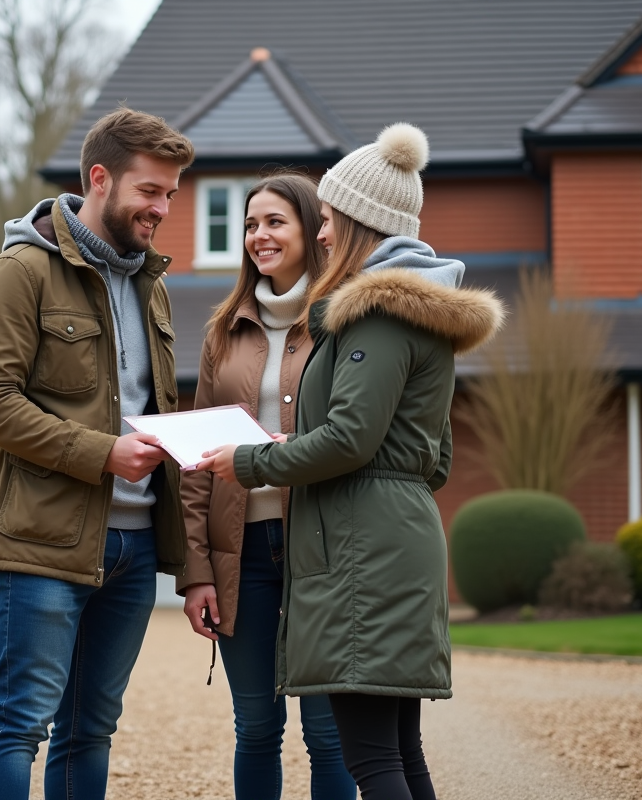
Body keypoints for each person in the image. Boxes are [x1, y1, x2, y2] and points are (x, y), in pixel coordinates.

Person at [196, 123, 504, 800]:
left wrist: (253, 462)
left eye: (329, 218)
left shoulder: (377, 314)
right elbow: (436, 457)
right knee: (400, 754)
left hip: (364, 554)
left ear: (361, 223)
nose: (323, 233)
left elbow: (349, 440)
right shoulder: (419, 311)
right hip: (394, 537)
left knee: (370, 760)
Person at [0, 107, 194, 800]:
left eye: (171, 196)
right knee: (19, 724)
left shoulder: (149, 285)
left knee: (90, 730)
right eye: (150, 191)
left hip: (133, 551)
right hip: (42, 543)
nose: (162, 209)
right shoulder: (19, 272)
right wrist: (101, 453)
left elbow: (150, 410)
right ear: (100, 177)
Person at [177, 172, 355, 799]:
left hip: (322, 551)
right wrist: (196, 570)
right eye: (250, 224)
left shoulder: (344, 321)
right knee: (256, 726)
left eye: (275, 222)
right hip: (242, 554)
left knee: (329, 733)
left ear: (313, 229)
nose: (258, 236)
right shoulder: (223, 331)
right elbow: (195, 463)